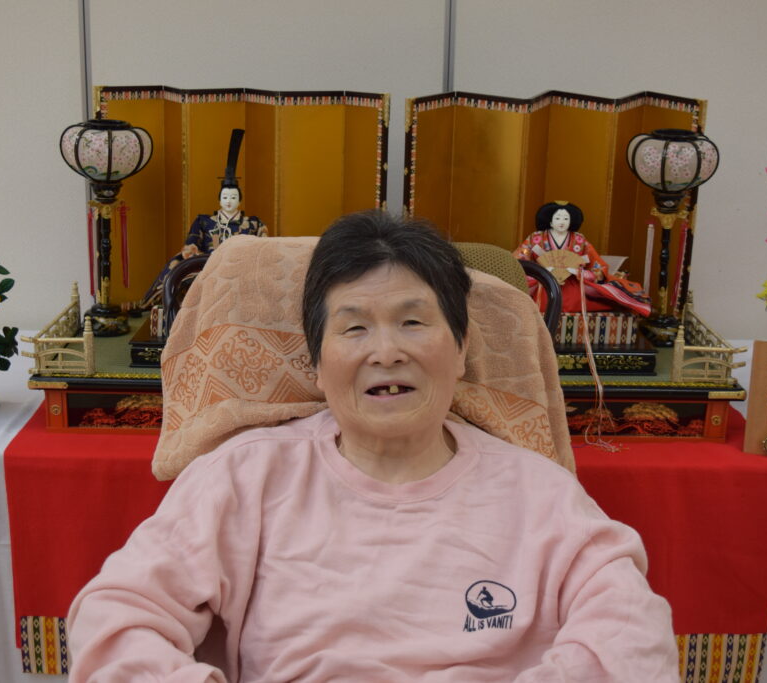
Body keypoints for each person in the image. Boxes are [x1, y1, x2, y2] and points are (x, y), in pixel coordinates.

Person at [68, 211, 679, 682]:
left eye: (413, 322)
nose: (386, 352)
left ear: (461, 349)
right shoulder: (244, 476)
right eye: (354, 327)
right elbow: (116, 618)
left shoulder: (540, 493)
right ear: (316, 363)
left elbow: (632, 633)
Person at [124, 129, 267, 313]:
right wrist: (205, 258)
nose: (229, 201)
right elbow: (191, 244)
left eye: (233, 197)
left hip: (242, 265)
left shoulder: (253, 223)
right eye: (225, 197)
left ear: (240, 200)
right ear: (219, 199)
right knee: (176, 266)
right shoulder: (205, 221)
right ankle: (149, 303)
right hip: (206, 263)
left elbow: (263, 247)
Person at [514, 201, 651, 318]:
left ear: (571, 221)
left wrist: (578, 272)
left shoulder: (579, 240)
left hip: (572, 284)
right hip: (544, 283)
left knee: (593, 297)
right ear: (550, 221)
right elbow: (518, 262)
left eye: (566, 218)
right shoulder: (535, 238)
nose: (561, 222)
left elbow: (598, 267)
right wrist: (541, 271)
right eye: (557, 218)